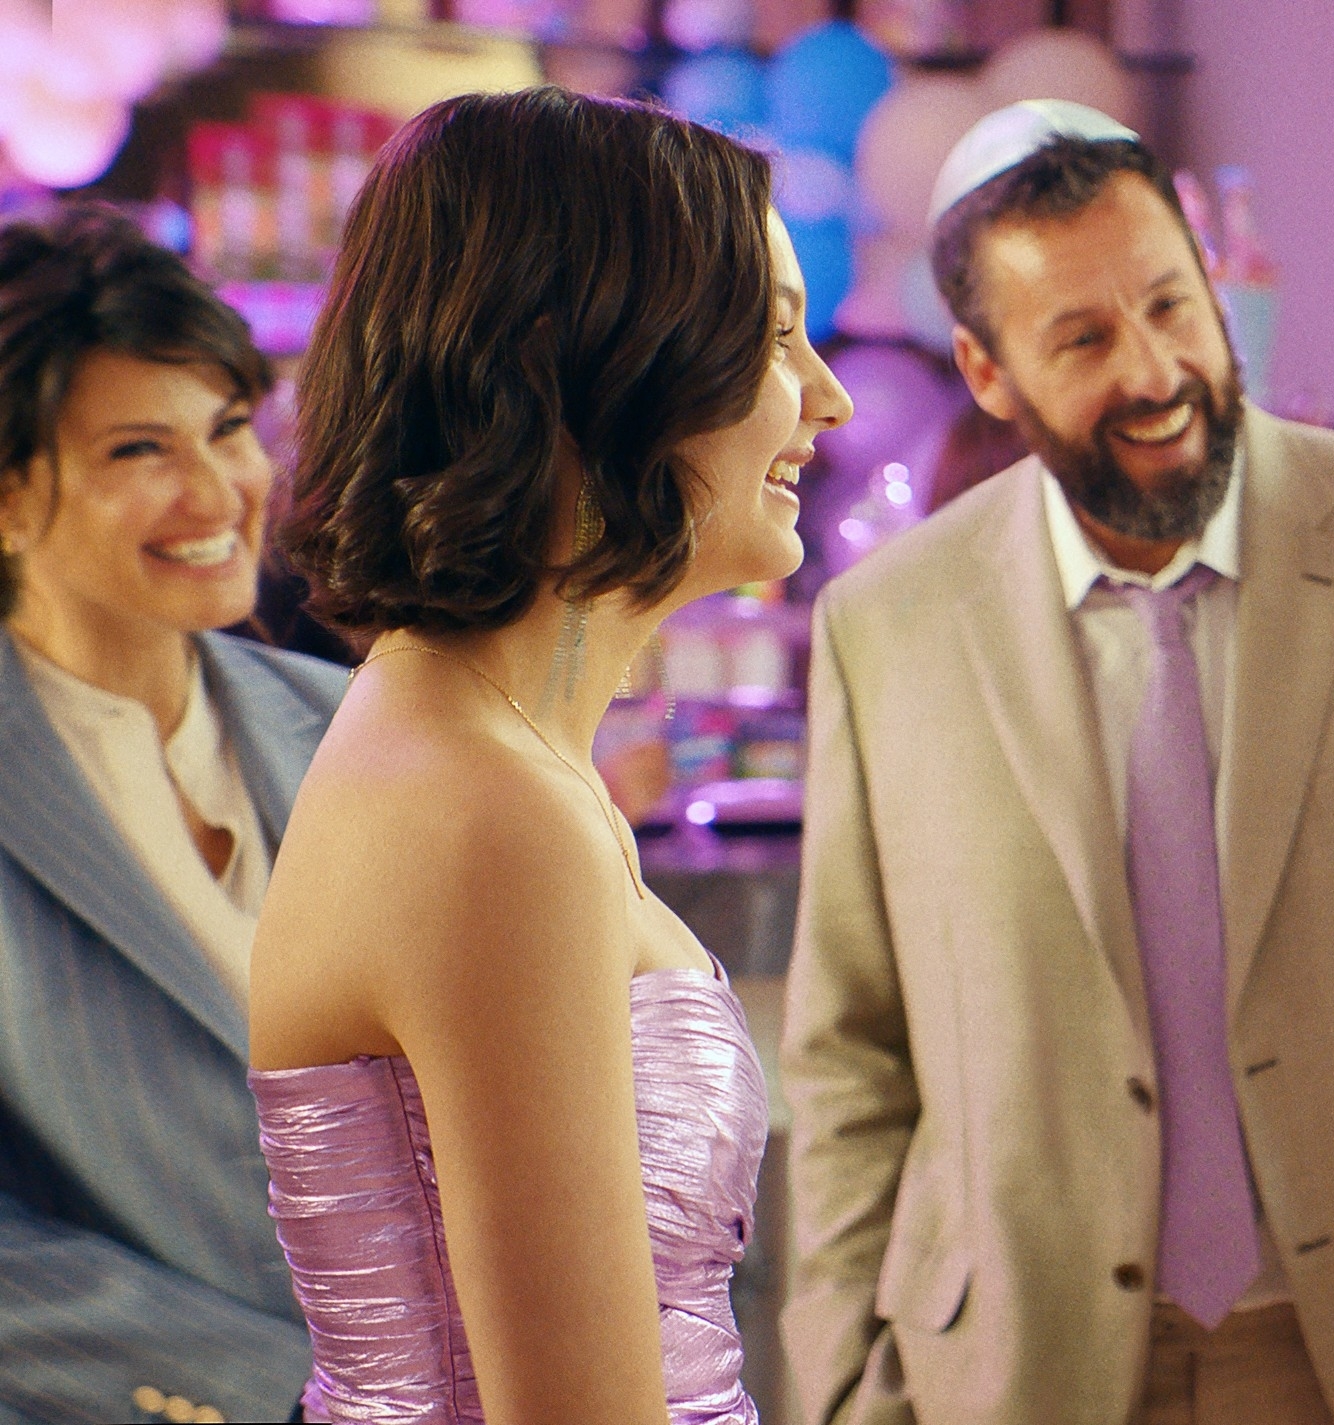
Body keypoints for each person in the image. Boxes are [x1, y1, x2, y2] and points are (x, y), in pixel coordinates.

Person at [782, 101, 1334, 1425]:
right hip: (1010, 1377)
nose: (1153, 369)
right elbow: (850, 1056)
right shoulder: (886, 627)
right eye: (1081, 337)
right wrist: (848, 1386)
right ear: (985, 371)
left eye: (1170, 304)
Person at [244, 88, 851, 1424]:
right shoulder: (486, 809)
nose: (831, 399)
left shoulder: (485, 755)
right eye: (778, 339)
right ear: (605, 362)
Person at [0, 205, 340, 1425]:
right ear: (8, 498)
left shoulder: (364, 727)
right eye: (139, 450)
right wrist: (273, 1393)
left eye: (231, 429)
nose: (216, 492)